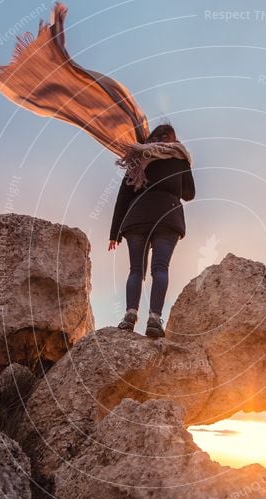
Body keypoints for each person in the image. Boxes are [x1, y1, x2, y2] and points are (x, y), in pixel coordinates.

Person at [108, 123, 196, 338]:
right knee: (160, 268)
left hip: (138, 216)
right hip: (168, 216)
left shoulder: (138, 158)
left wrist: (114, 233)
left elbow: (124, 197)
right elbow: (190, 194)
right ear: (172, 139)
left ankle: (130, 315)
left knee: (136, 269)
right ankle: (154, 319)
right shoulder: (180, 158)